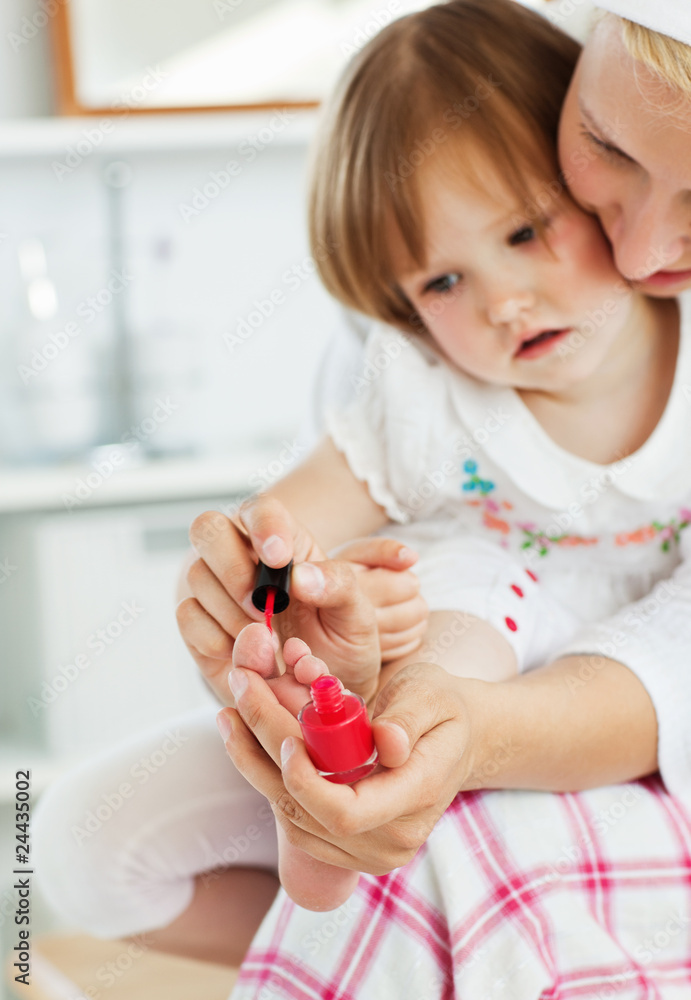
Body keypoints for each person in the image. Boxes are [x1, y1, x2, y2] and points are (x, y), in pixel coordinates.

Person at [31, 0, 691, 977]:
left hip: (602, 690)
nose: (501, 302)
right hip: (478, 627)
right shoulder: (428, 389)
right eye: (439, 283)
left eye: (522, 232)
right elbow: (294, 514)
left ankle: (351, 832)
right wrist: (274, 585)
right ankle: (335, 821)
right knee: (455, 606)